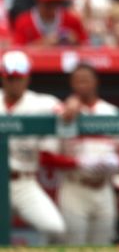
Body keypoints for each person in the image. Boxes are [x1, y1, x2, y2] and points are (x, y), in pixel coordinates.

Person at [0, 50, 83, 242]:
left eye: (18, 78)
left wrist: (73, 104)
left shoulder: (41, 102)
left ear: (27, 77)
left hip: (23, 182)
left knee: (56, 229)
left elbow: (68, 107)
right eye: (10, 78)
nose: (14, 82)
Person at [59, 63, 119, 245]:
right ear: (71, 84)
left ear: (96, 82)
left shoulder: (110, 111)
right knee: (74, 245)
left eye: (86, 80)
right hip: (75, 186)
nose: (82, 85)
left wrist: (116, 162)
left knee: (103, 245)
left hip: (103, 188)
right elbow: (47, 156)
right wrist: (78, 163)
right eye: (78, 81)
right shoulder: (63, 111)